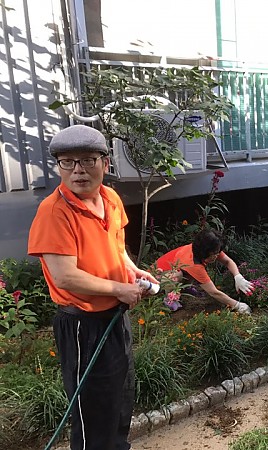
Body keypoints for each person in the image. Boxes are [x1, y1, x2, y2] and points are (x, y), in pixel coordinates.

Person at [28, 124, 159, 450]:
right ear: (59, 166)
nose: (78, 170)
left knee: (119, 400)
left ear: (105, 163)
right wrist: (118, 289)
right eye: (67, 162)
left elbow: (117, 249)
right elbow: (65, 277)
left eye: (87, 160)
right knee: (93, 414)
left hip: (115, 318)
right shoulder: (54, 212)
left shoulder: (110, 198)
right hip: (83, 326)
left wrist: (132, 271)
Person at [155, 228, 254, 313]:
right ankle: (170, 300)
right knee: (177, 275)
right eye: (215, 253)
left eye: (218, 252)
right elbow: (214, 292)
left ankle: (183, 288)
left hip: (176, 269)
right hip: (156, 278)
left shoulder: (209, 249)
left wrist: (238, 276)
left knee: (182, 272)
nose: (217, 255)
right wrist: (237, 305)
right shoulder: (193, 263)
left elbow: (228, 261)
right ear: (205, 251)